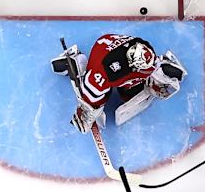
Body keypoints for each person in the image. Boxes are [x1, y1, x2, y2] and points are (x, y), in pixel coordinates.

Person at [51, 34, 187, 132]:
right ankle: (76, 60)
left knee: (129, 91)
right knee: (99, 95)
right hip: (102, 60)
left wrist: (157, 71)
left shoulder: (143, 48)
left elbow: (151, 64)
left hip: (110, 47)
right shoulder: (104, 73)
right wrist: (87, 110)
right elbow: (91, 89)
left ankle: (160, 68)